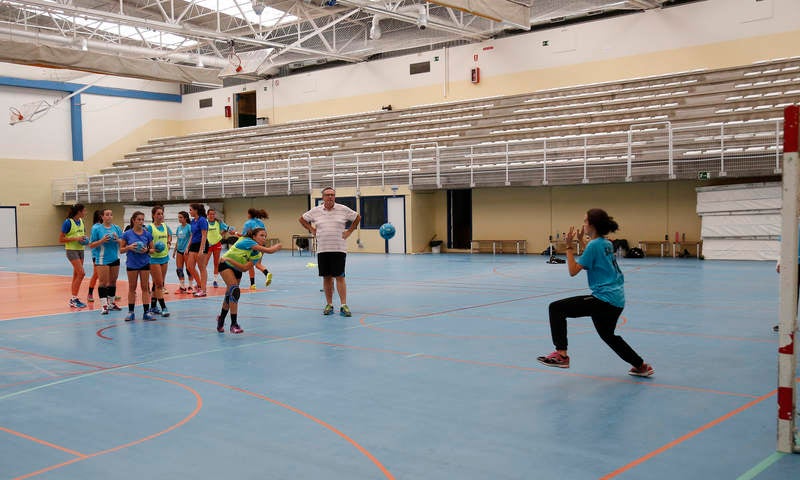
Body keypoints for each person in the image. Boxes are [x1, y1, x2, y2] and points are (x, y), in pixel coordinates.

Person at [537, 208, 654, 377]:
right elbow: (593, 255)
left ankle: (561, 355)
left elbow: (573, 270)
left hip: (604, 299)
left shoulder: (594, 245)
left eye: (585, 221)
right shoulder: (605, 243)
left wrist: (569, 246)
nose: (583, 224)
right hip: (617, 299)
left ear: (592, 225)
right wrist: (581, 242)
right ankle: (641, 366)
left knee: (556, 308)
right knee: (608, 336)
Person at [299, 187, 361, 317]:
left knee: (340, 277)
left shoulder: (343, 209)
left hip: (339, 248)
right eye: (327, 195)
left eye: (332, 195)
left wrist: (349, 231)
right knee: (326, 278)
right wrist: (311, 229)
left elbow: (357, 217)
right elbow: (302, 219)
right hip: (323, 249)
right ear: (323, 197)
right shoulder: (316, 211)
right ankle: (329, 304)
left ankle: (344, 305)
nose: (330, 197)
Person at [215, 228, 282, 334]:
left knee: (230, 295)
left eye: (265, 236)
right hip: (225, 265)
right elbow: (269, 251)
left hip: (236, 269)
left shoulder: (257, 254)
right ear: (254, 237)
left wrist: (231, 259)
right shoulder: (247, 241)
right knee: (234, 290)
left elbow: (245, 268)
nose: (264, 238)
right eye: (261, 235)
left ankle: (221, 319)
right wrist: (277, 247)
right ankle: (234, 324)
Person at [120, 211, 155, 321]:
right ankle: (131, 312)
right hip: (132, 264)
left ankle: (146, 312)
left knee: (145, 288)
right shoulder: (127, 234)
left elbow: (153, 250)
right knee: (132, 288)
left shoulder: (147, 234)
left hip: (144, 263)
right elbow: (121, 250)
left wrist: (147, 250)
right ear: (133, 220)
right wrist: (129, 247)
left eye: (142, 220)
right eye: (138, 219)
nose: (141, 222)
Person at [88, 208, 123, 315]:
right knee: (103, 282)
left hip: (115, 258)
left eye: (111, 214)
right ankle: (103, 305)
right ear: (102, 217)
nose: (109, 216)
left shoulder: (116, 228)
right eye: (107, 215)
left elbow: (123, 243)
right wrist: (102, 241)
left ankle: (111, 303)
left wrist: (118, 240)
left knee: (113, 281)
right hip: (102, 259)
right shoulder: (97, 229)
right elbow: (91, 245)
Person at [59, 203, 89, 308]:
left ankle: (74, 298)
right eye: (84, 211)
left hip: (81, 249)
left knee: (77, 274)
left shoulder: (81, 221)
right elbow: (61, 239)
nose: (86, 213)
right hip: (71, 250)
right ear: (79, 212)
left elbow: (82, 235)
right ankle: (73, 299)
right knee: (81, 273)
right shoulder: (68, 222)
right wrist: (76, 239)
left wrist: (85, 238)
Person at [774, 222, 800, 333]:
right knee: (790, 296)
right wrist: (779, 262)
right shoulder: (790, 223)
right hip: (792, 264)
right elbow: (783, 246)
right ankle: (787, 323)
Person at [147, 205, 172, 317]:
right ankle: (163, 307)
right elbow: (145, 241)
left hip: (164, 257)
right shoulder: (150, 227)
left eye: (162, 214)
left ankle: (153, 306)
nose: (161, 216)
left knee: (159, 283)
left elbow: (169, 236)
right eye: (158, 214)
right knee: (159, 284)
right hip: (154, 259)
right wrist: (151, 249)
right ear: (153, 215)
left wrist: (168, 243)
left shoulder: (165, 226)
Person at [241, 208, 273, 290]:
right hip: (262, 244)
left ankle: (253, 284)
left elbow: (244, 236)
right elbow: (265, 234)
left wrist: (236, 234)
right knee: (258, 263)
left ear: (250, 214)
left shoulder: (248, 223)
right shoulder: (261, 222)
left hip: (252, 245)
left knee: (250, 265)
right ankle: (267, 273)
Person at [207, 208, 237, 288]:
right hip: (208, 245)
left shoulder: (218, 222)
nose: (212, 216)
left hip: (217, 244)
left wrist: (230, 231)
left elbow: (228, 228)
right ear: (207, 215)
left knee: (216, 263)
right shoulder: (205, 223)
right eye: (210, 214)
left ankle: (215, 280)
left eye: (213, 214)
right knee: (204, 264)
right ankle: (201, 280)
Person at [186, 203, 210, 297]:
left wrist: (201, 249)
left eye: (191, 210)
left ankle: (203, 290)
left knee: (202, 268)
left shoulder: (202, 220)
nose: (190, 211)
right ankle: (199, 284)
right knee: (190, 266)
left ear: (196, 210)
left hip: (201, 244)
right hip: (194, 245)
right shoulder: (193, 221)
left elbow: (204, 235)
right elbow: (192, 235)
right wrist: (188, 247)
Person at [173, 210, 193, 293]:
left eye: (181, 217)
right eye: (179, 217)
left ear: (185, 218)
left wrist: (188, 248)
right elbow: (178, 239)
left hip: (186, 251)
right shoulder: (179, 228)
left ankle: (190, 287)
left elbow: (192, 237)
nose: (179, 219)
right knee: (179, 269)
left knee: (189, 269)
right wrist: (174, 250)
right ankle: (182, 287)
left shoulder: (189, 227)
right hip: (179, 251)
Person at [86, 209, 103, 303]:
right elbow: (92, 243)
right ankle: (90, 293)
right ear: (99, 216)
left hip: (106, 254)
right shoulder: (96, 227)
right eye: (103, 214)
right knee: (96, 274)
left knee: (107, 275)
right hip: (97, 254)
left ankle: (110, 294)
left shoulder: (106, 226)